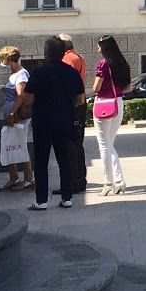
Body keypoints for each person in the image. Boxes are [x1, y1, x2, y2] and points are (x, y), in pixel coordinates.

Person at [17, 36, 85, 210]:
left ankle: (41, 201)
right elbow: (80, 99)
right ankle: (67, 197)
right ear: (63, 52)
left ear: (46, 53)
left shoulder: (39, 72)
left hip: (43, 121)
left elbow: (28, 99)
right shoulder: (71, 73)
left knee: (41, 161)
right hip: (65, 121)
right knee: (65, 159)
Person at [91, 35, 131, 196]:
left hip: (103, 104)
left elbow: (96, 87)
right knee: (110, 144)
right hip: (118, 103)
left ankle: (108, 183)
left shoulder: (103, 64)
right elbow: (127, 87)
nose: (98, 49)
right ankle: (119, 182)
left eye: (99, 46)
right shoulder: (123, 63)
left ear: (105, 48)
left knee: (104, 145)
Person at [0, 45, 33, 192]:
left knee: (18, 144)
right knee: (7, 144)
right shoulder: (15, 73)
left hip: (17, 116)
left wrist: (12, 113)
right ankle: (14, 178)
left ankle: (28, 178)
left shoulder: (21, 74)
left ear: (10, 60)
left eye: (3, 61)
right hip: (12, 115)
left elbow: (21, 95)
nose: (3, 64)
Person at [57, 33, 89, 193]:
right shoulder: (79, 57)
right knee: (77, 145)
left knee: (69, 146)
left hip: (71, 106)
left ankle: (72, 183)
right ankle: (79, 180)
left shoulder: (67, 60)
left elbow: (67, 83)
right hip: (80, 104)